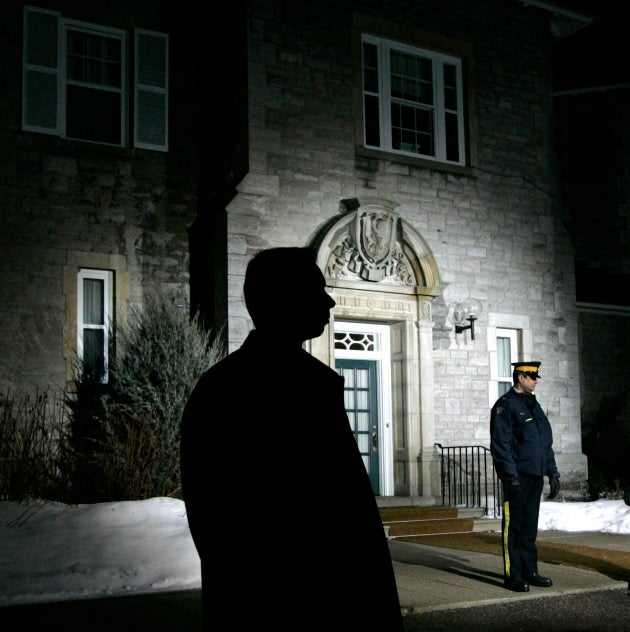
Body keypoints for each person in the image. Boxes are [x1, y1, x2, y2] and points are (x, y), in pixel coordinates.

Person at [180, 246, 404, 631]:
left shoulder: (223, 386)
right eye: (317, 290)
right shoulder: (286, 389)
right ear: (286, 299)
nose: (329, 300)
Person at [490, 361, 560, 593]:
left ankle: (530, 571)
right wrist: (510, 476)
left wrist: (552, 472)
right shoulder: (505, 406)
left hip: (535, 475)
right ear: (520, 377)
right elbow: (501, 444)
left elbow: (544, 443)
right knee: (514, 528)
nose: (535, 380)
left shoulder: (533, 405)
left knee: (529, 528)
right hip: (518, 476)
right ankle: (514, 575)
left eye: (535, 376)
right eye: (531, 376)